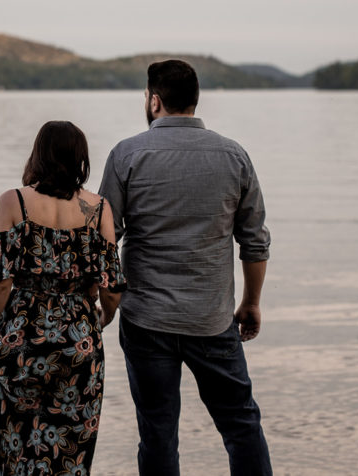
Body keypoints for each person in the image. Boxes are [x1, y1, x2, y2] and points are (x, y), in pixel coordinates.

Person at [98, 59, 272, 476]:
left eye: (146, 97)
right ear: (194, 101)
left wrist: (108, 305)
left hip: (146, 321)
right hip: (212, 320)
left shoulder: (127, 155)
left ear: (154, 101)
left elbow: (104, 241)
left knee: (157, 432)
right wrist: (250, 304)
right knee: (241, 424)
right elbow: (254, 240)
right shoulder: (234, 155)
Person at [0, 120, 126, 475]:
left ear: (37, 155)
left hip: (23, 340)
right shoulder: (100, 208)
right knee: (69, 452)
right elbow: (112, 287)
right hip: (80, 343)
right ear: (81, 159)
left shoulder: (13, 202)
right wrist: (103, 317)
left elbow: (0, 283)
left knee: (15, 444)